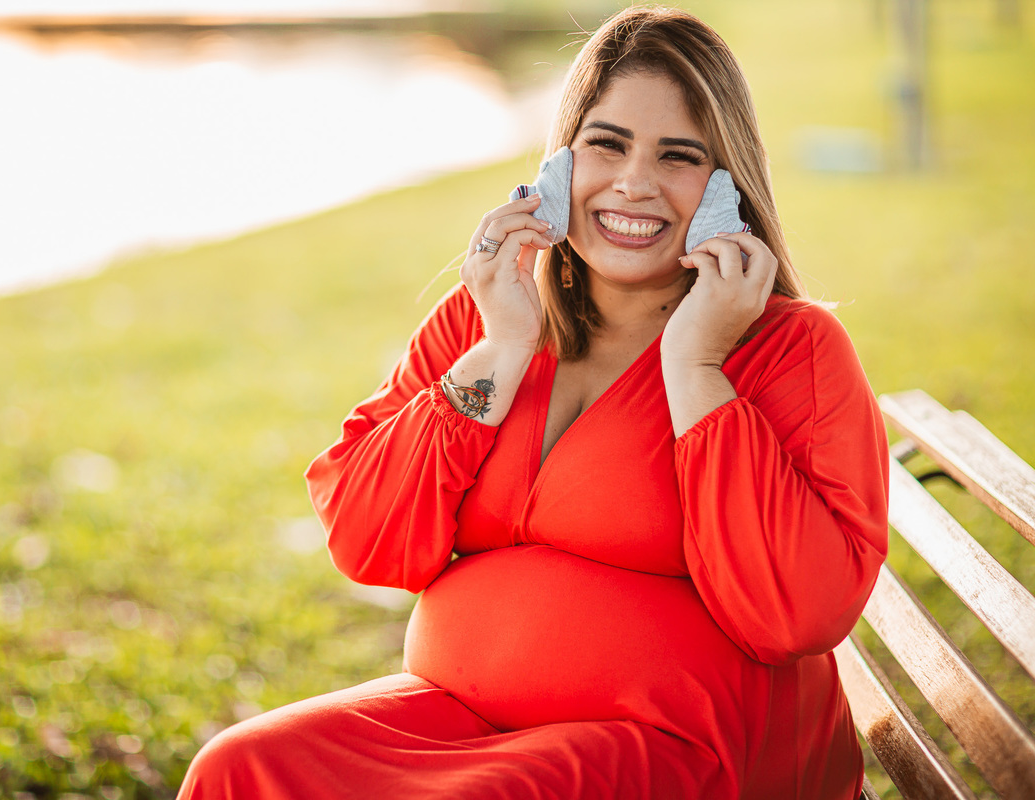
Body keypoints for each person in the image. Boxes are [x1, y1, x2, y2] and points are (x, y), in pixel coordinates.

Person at [177, 6, 889, 799]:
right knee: (238, 768)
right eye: (607, 144)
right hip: (466, 720)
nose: (634, 184)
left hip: (687, 747)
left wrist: (696, 365)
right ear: (559, 163)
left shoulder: (793, 347)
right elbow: (369, 540)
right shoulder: (485, 319)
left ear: (728, 188)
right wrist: (505, 345)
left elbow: (793, 615)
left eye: (679, 157)